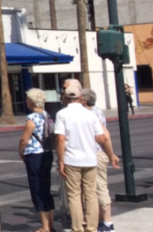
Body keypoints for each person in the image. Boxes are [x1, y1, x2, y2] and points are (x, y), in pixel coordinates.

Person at [55, 80, 119, 232]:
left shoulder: (62, 114)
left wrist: (61, 161)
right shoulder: (90, 114)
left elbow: (60, 139)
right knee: (91, 194)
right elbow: (102, 137)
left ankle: (77, 228)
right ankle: (92, 228)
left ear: (65, 96)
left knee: (74, 195)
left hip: (71, 159)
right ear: (79, 97)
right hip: (90, 158)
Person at [18, 88, 55, 232]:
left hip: (34, 155)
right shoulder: (47, 115)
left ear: (32, 101)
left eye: (27, 99)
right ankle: (50, 224)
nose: (26, 101)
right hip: (47, 153)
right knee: (46, 188)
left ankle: (45, 226)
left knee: (37, 189)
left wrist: (20, 152)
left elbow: (24, 140)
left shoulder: (32, 118)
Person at [82, 89, 117, 232]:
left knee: (100, 187)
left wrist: (111, 155)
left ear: (84, 100)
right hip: (95, 153)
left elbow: (104, 136)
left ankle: (107, 222)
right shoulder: (97, 111)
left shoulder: (91, 114)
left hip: (96, 153)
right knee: (94, 189)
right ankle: (100, 220)